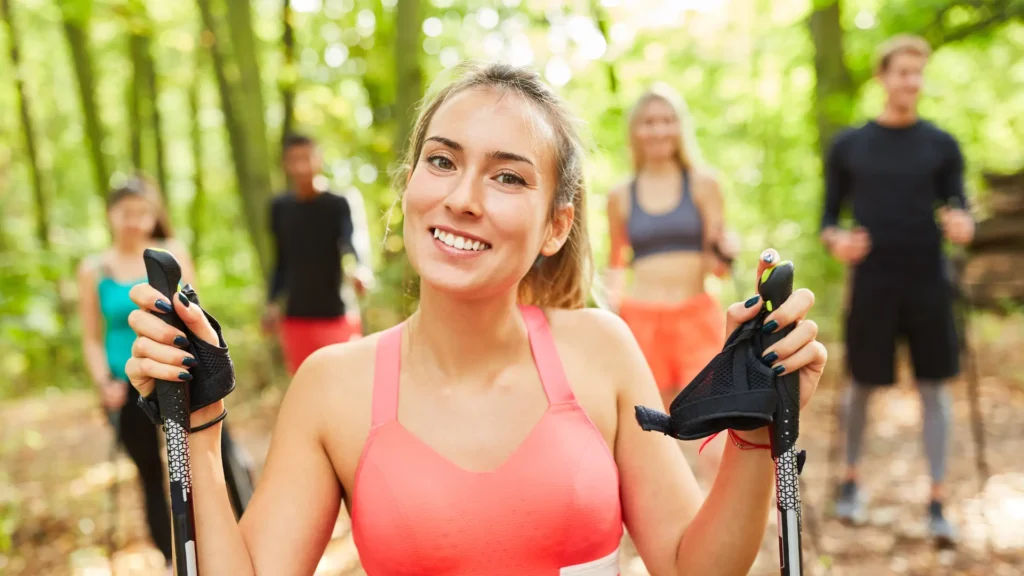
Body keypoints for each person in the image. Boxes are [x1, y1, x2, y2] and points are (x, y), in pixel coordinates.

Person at [123, 63, 826, 575]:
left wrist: (756, 438)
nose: (462, 197)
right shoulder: (334, 385)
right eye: (442, 162)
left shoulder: (601, 351)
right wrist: (199, 430)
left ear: (557, 226)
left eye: (508, 176)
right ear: (410, 190)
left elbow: (688, 566)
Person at [820, 34, 975, 546]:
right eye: (902, 71)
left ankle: (936, 497)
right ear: (882, 76)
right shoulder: (850, 145)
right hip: (873, 282)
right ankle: (850, 481)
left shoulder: (942, 144)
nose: (910, 80)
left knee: (935, 386)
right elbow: (828, 220)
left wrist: (962, 225)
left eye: (917, 72)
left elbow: (962, 211)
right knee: (862, 385)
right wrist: (839, 241)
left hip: (929, 280)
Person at [77, 175, 253, 571]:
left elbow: (195, 313)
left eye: (143, 213)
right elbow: (91, 336)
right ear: (110, 215)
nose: (135, 222)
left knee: (218, 454)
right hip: (127, 384)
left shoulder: (170, 253)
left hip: (180, 373)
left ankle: (243, 535)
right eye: (126, 214)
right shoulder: (93, 268)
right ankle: (174, 559)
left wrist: (206, 366)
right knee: (152, 473)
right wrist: (103, 382)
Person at [605, 86, 739, 476]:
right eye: (649, 122)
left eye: (667, 120)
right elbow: (616, 263)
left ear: (679, 128)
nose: (659, 130)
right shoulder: (620, 195)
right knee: (651, 433)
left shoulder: (703, 184)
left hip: (696, 317)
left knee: (710, 430)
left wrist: (727, 250)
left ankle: (720, 524)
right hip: (641, 319)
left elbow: (719, 267)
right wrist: (612, 320)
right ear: (636, 131)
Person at [263, 133, 374, 374]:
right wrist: (272, 302)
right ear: (285, 164)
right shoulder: (279, 208)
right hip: (296, 317)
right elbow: (280, 261)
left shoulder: (339, 203)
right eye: (294, 159)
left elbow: (352, 242)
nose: (302, 166)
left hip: (337, 314)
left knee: (346, 384)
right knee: (305, 389)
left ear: (319, 159)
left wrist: (361, 269)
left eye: (307, 158)